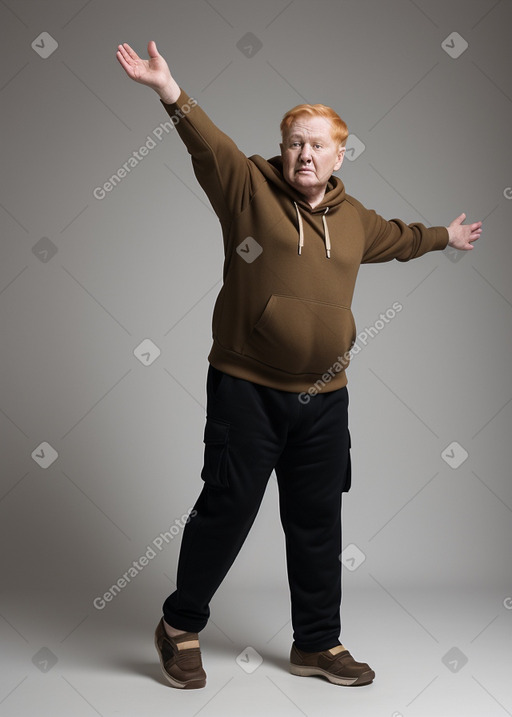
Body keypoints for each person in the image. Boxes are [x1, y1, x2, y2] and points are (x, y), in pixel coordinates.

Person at [116, 40, 482, 690]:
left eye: (317, 144)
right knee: (227, 507)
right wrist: (170, 91)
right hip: (247, 389)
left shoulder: (356, 220)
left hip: (325, 398)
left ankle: (317, 641)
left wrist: (444, 237)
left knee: (317, 519)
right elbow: (210, 146)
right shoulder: (248, 190)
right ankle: (179, 626)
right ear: (282, 150)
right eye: (294, 142)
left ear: (341, 154)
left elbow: (401, 237)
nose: (304, 153)